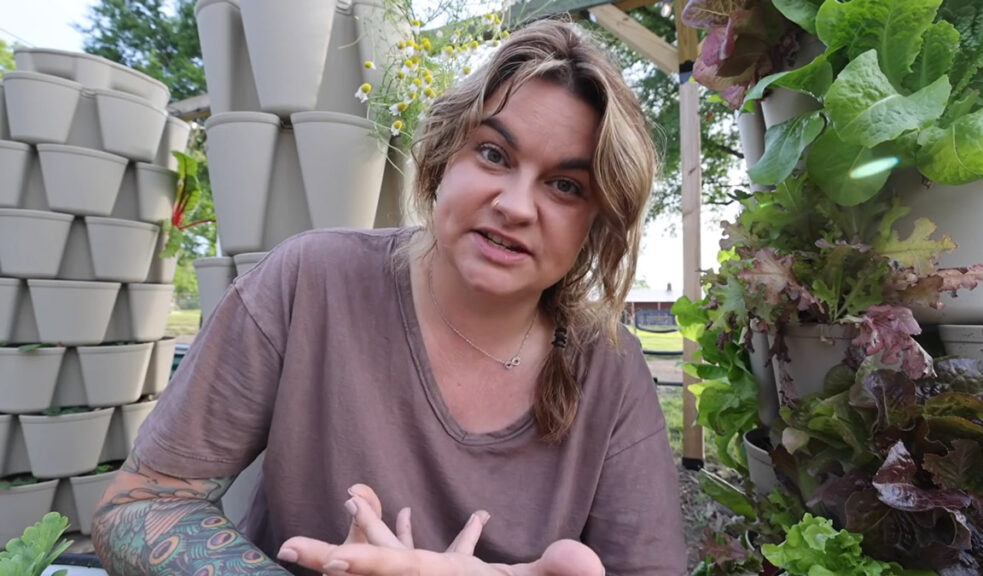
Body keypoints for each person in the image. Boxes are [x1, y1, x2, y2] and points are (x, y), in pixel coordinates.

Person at [91, 18, 686, 575]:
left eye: (564, 185)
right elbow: (141, 504)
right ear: (443, 155)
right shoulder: (311, 281)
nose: (514, 204)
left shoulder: (608, 367)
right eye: (493, 153)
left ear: (597, 223)